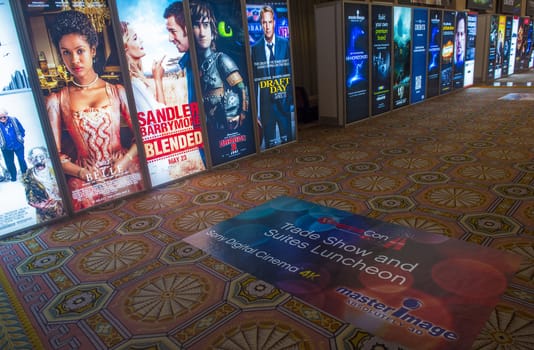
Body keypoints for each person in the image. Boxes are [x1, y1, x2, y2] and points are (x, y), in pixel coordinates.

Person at [46, 10, 142, 210]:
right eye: (66, 52)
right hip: (85, 180)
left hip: (124, 170)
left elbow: (142, 136)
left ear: (93, 50)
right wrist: (82, 173)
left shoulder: (117, 92)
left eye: (80, 50)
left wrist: (124, 162)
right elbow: (54, 156)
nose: (74, 60)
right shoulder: (56, 100)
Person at [190, 1, 250, 162]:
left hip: (228, 125)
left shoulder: (221, 60)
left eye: (206, 25)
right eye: (197, 25)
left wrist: (242, 114)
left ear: (212, 29)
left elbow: (242, 88)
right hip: (209, 129)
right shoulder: (193, 65)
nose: (202, 32)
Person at [251, 6, 293, 149]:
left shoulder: (285, 44)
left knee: (288, 144)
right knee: (269, 146)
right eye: (264, 22)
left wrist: (289, 100)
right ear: (261, 24)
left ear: (274, 22)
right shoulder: (255, 49)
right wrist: (256, 112)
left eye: (270, 22)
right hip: (266, 106)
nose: (267, 26)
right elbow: (255, 82)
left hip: (283, 105)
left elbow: (290, 73)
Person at [120, 21, 166, 111]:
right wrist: (158, 80)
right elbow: (162, 117)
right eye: (135, 38)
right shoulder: (134, 83)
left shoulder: (133, 80)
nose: (141, 40)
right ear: (125, 47)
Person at [22, 146, 65, 222]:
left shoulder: (55, 171)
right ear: (30, 160)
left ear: (47, 158)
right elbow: (29, 198)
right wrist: (41, 205)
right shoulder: (29, 178)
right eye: (35, 158)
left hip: (62, 211)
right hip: (45, 217)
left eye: (41, 157)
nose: (39, 160)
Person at [0, 108, 27, 182]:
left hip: (18, 144)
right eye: (0, 117)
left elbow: (22, 130)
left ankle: (25, 175)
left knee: (21, 160)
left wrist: (20, 137)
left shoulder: (14, 120)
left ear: (6, 115)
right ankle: (13, 177)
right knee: (9, 163)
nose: (2, 118)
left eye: (4, 117)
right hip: (6, 147)